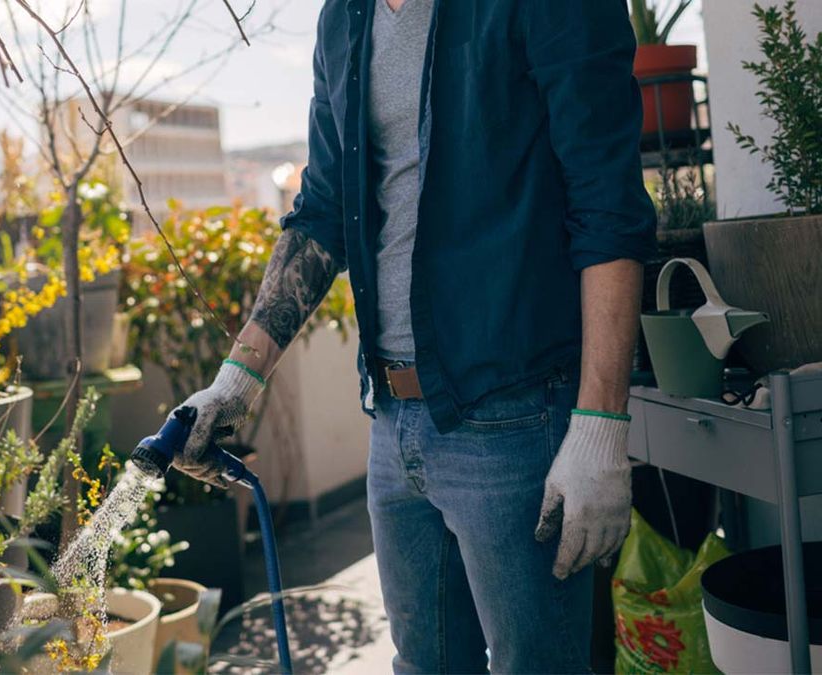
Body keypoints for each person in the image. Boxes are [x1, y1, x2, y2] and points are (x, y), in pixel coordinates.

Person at [172, 0, 656, 671]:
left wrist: (602, 420)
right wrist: (238, 378)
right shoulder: (344, 19)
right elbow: (321, 211)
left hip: (515, 417)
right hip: (393, 418)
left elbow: (608, 202)